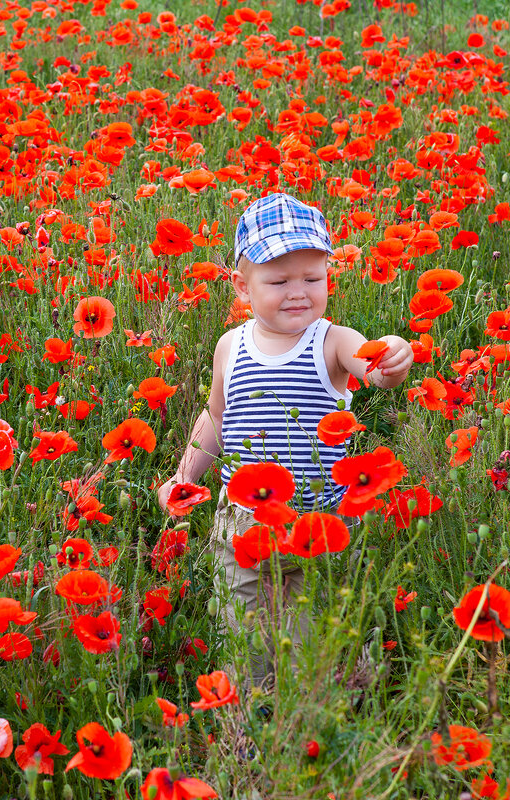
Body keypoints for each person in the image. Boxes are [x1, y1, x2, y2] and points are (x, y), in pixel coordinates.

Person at [157, 192, 414, 691]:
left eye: (313, 279)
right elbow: (216, 417)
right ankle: (252, 718)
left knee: (315, 632)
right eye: (279, 281)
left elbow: (374, 366)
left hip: (320, 519)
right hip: (243, 521)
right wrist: (186, 475)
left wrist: (393, 357)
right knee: (244, 631)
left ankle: (318, 707)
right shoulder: (230, 346)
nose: (299, 292)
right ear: (242, 287)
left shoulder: (333, 341)